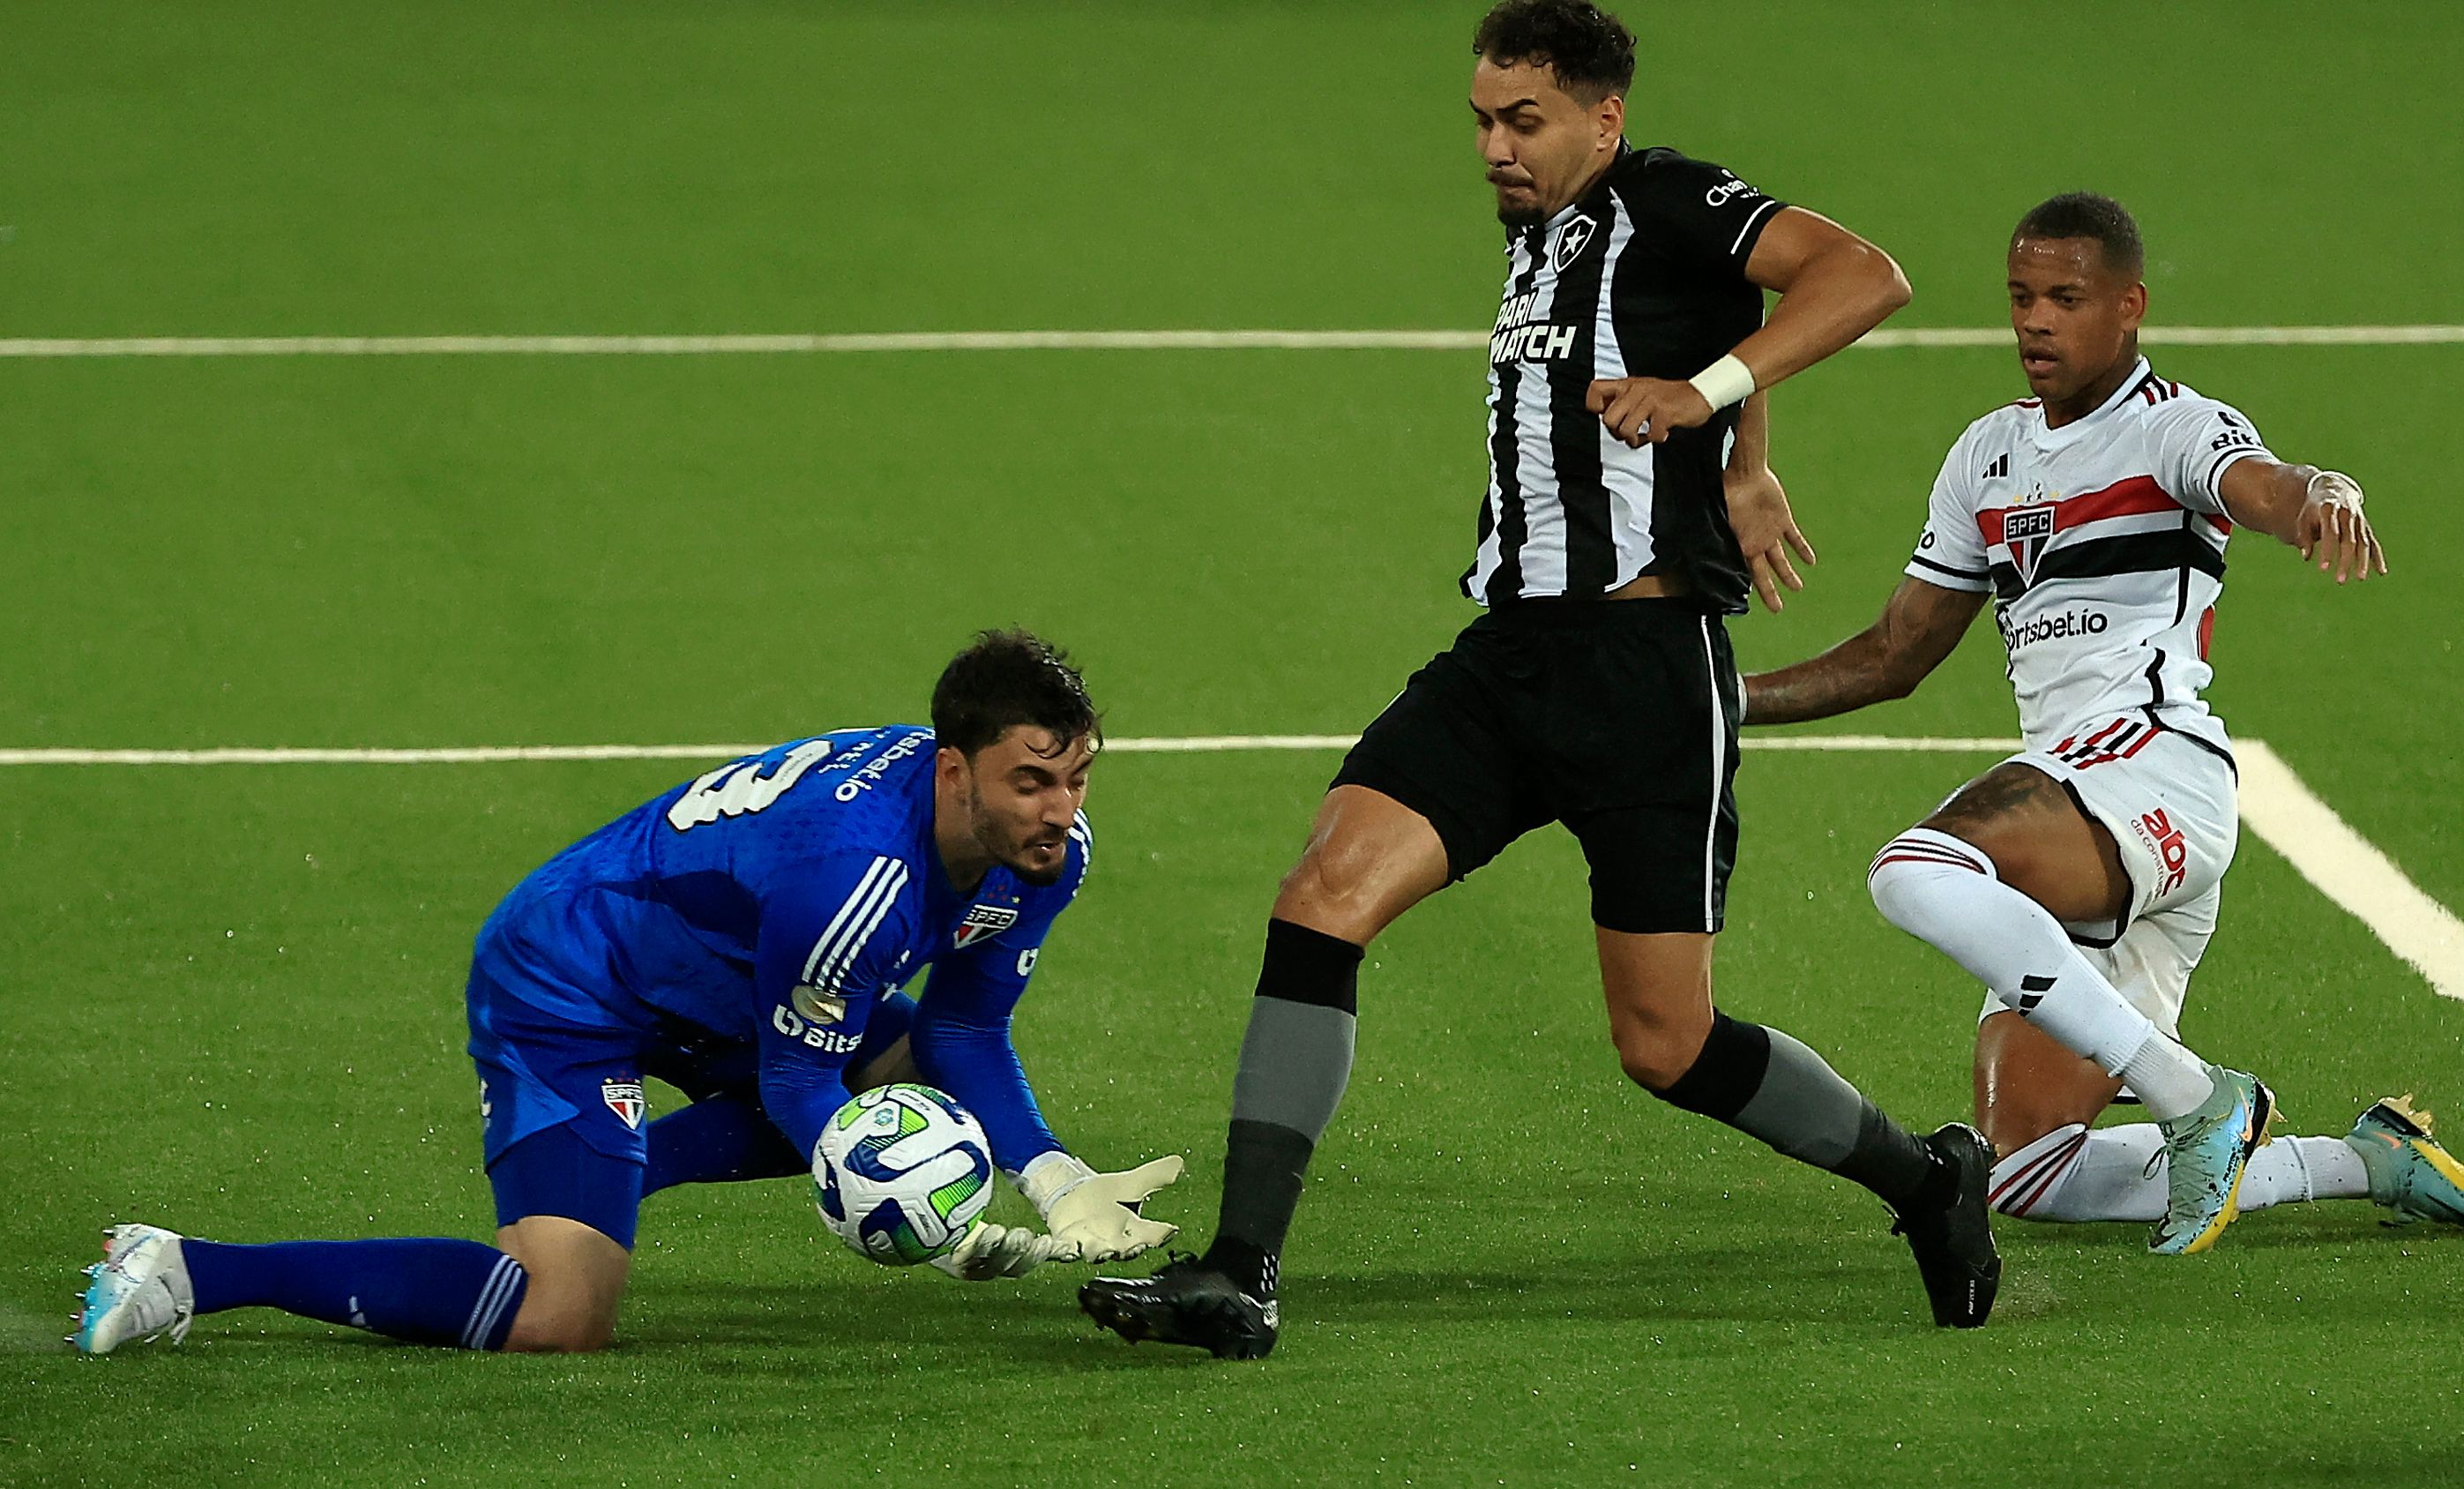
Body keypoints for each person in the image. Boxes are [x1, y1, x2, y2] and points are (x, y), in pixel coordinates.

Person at [1077, 0, 1999, 1360]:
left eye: (1524, 121)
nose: (1495, 148)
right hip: (1507, 660)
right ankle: (1240, 1271)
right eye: (1481, 122)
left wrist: (1713, 401)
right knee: (1321, 898)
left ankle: (1927, 1179)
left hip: (1644, 676)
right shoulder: (1543, 232)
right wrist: (1745, 456)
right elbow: (1713, 312)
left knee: (1665, 1045)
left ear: (1601, 117)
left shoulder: (1668, 193)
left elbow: (1862, 274)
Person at [1736, 192, 2464, 1252]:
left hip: (2149, 766)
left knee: (1915, 870)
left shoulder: (2172, 425)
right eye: (2022, 297)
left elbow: (2265, 485)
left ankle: (2197, 1092)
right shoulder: (1986, 455)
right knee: (2026, 1171)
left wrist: (2322, 493)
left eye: (2066, 298)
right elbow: (1896, 654)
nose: (2035, 321)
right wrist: (1723, 699)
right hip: (2081, 812)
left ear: (2129, 306)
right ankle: (2368, 1159)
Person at [74, 631, 1185, 1356]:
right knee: (557, 1312)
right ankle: (187, 1268)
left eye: (1076, 775)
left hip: (725, 984)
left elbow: (962, 1024)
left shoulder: (1048, 853)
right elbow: (801, 1074)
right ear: (956, 772)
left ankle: (615, 1166)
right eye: (1031, 780)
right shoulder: (861, 878)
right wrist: (915, 1214)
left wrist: (1051, 1175)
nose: (1060, 807)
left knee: (904, 1065)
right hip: (572, 974)